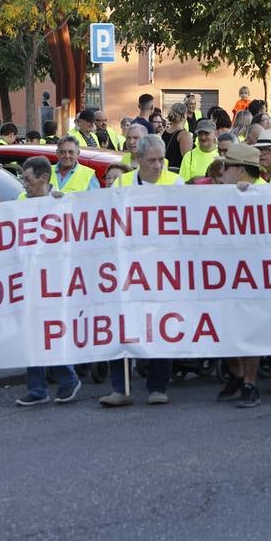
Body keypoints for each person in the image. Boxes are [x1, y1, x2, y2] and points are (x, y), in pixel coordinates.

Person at [102, 134, 176, 406]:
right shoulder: (122, 184)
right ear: (139, 159)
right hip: (127, 269)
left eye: (161, 160)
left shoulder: (175, 183)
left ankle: (157, 387)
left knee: (160, 326)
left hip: (162, 269)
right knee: (122, 326)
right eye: (152, 160)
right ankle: (120, 389)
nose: (158, 166)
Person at [3, 155, 82, 405]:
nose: (24, 184)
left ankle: (67, 379)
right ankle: (38, 389)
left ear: (44, 178)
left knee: (50, 332)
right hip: (27, 278)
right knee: (31, 334)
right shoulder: (20, 202)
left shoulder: (61, 202)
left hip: (55, 280)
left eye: (27, 179)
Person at [214, 142, 267, 408]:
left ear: (242, 170)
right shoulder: (224, 193)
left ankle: (249, 383)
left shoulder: (266, 193)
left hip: (254, 275)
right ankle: (236, 374)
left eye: (227, 165)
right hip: (225, 272)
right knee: (223, 328)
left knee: (248, 330)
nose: (222, 170)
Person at [162, 102, 193, 171]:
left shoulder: (164, 132)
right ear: (184, 116)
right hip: (177, 173)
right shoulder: (184, 135)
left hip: (165, 171)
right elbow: (187, 160)